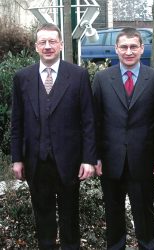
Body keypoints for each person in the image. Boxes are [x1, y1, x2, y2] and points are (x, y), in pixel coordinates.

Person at [11, 23, 97, 250]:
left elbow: (88, 121)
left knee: (70, 218)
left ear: (60, 44)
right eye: (43, 42)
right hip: (36, 162)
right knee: (43, 220)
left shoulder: (78, 75)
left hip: (69, 162)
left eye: (52, 41)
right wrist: (17, 158)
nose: (48, 46)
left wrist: (88, 159)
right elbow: (17, 122)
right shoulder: (22, 78)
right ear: (36, 46)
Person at [93, 27, 154, 250]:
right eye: (123, 47)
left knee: (144, 213)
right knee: (113, 214)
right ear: (116, 49)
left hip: (142, 160)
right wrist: (94, 156)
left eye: (133, 46)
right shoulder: (102, 78)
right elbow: (95, 121)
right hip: (110, 160)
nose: (128, 51)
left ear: (142, 48)